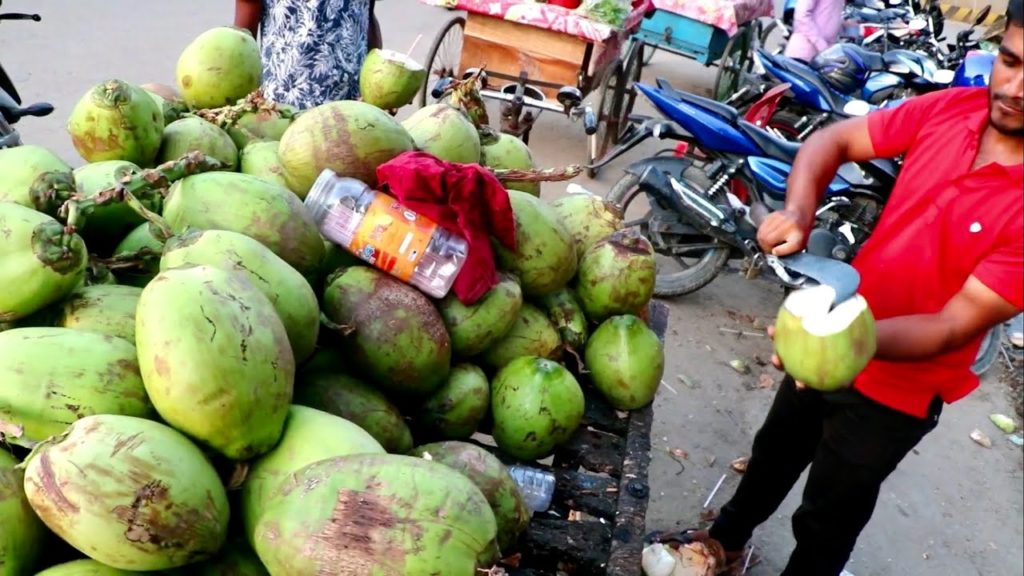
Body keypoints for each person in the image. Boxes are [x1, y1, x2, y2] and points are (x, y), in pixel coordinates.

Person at [684, 1, 1024, 574]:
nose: (1015, 88)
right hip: (837, 325)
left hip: (900, 390)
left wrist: (830, 339)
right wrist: (797, 212)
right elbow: (834, 142)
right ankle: (725, 542)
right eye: (1011, 61)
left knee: (830, 512)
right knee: (774, 453)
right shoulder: (951, 109)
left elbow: (954, 325)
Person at [234, 0, 373, 110]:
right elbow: (242, 38)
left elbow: (367, 15)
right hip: (282, 111)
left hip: (353, 110)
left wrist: (375, 89)